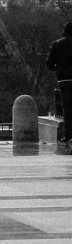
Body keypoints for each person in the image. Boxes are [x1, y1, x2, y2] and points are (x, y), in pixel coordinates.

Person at [46, 21, 72, 155]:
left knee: (67, 108)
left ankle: (68, 135)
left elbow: (50, 64)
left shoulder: (57, 44)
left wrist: (57, 66)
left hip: (64, 79)